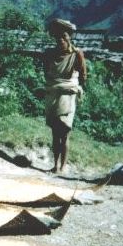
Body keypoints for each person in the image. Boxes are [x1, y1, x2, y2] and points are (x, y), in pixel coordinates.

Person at [44, 18, 87, 173]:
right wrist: (54, 85)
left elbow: (83, 76)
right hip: (54, 95)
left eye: (64, 37)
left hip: (68, 97)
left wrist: (75, 88)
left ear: (69, 37)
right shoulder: (50, 54)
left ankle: (63, 167)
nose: (61, 40)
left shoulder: (77, 55)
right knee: (55, 133)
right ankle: (55, 165)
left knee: (65, 131)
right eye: (58, 37)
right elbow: (47, 73)